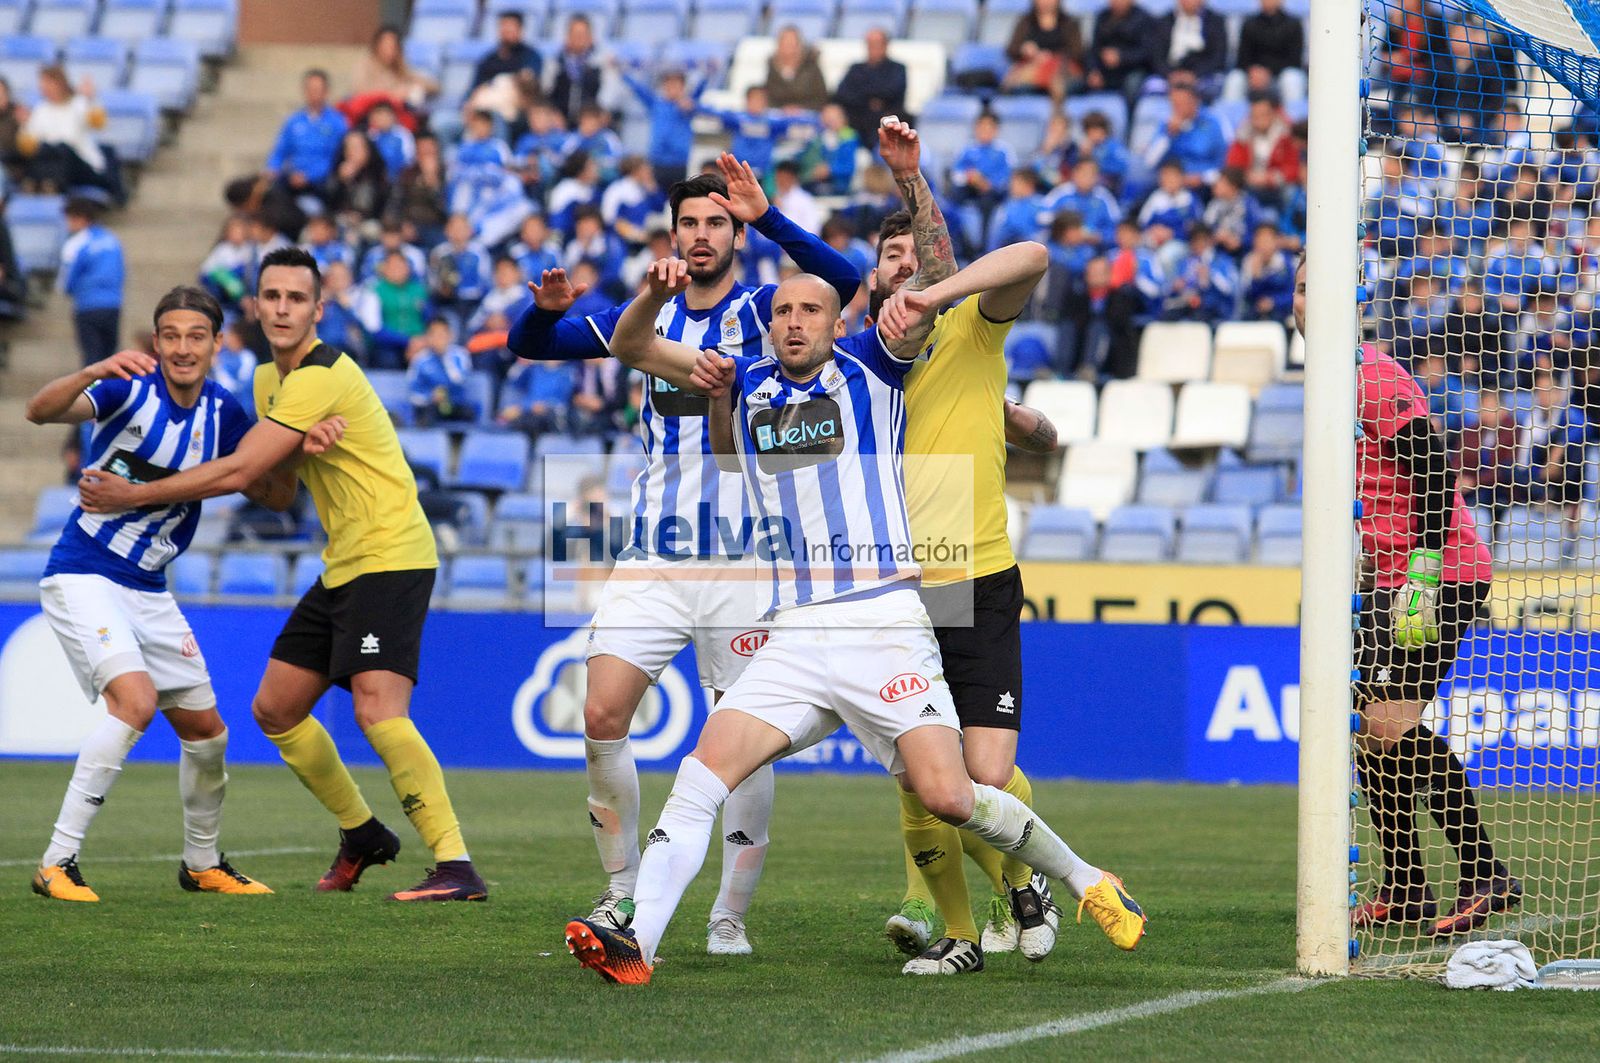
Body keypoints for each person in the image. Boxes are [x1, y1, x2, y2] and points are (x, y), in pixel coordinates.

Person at [562, 246, 1144, 985]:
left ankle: (1088, 879)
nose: (794, 321)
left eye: (811, 310)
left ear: (840, 322)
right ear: (767, 326)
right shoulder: (742, 382)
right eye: (781, 311)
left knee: (950, 794)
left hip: (883, 624)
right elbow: (632, 345)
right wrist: (651, 293)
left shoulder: (873, 364)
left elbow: (1033, 256)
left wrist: (933, 299)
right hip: (797, 632)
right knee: (702, 771)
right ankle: (637, 941)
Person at [506, 154, 861, 956]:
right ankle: (623, 891)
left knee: (742, 730)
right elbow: (533, 344)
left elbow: (843, 280)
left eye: (716, 223)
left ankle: (727, 914)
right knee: (600, 713)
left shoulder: (769, 307)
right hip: (655, 552)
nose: (701, 236)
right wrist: (545, 309)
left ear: (735, 233)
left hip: (747, 560)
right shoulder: (648, 309)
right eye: (689, 224)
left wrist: (770, 214)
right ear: (672, 235)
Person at [78, 248, 488, 903]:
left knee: (379, 710)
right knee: (276, 706)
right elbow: (272, 487)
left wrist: (135, 493)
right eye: (271, 296)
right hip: (346, 561)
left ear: (318, 309)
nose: (282, 308)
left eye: (297, 298)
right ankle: (362, 834)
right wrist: (295, 447)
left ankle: (456, 864)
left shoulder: (320, 373)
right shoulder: (272, 380)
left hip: (391, 552)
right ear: (257, 304)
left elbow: (239, 473)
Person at [25, 285, 337, 902]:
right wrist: (92, 368)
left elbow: (272, 495)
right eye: (171, 336)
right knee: (135, 702)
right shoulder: (127, 388)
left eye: (197, 336)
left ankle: (201, 864)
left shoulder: (224, 415)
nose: (183, 348)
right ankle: (57, 861)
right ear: (156, 341)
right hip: (85, 572)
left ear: (217, 345)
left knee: (207, 732)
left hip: (148, 589)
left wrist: (299, 453)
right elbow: (39, 410)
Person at [1292, 257, 1520, 937]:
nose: (1305, 301)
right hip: (1384, 580)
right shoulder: (1327, 381)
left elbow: (1432, 465)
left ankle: (1486, 871)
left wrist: (1420, 572)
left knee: (1391, 721)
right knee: (1368, 735)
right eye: (1300, 288)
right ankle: (1407, 886)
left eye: (1317, 288)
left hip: (1438, 573)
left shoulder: (1372, 376)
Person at [19, 66, 119, 200]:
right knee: (46, 151)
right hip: (53, 164)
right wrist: (24, 125)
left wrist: (91, 99)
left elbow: (99, 124)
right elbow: (28, 147)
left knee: (63, 149)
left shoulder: (79, 103)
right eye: (42, 83)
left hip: (81, 163)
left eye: (48, 82)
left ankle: (52, 186)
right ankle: (41, 186)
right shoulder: (41, 110)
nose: (44, 87)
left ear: (60, 83)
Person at [263, 70, 348, 206]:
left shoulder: (338, 123)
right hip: (291, 179)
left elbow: (336, 158)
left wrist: (310, 176)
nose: (313, 93)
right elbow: (280, 151)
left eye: (317, 89)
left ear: (326, 91)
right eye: (310, 89)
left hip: (320, 183)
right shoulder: (293, 121)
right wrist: (273, 167)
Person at [59, 197, 124, 368]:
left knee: (92, 358)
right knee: (110, 356)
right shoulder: (111, 239)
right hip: (112, 304)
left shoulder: (76, 242)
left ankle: (92, 393)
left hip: (87, 305)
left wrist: (69, 290)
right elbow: (121, 271)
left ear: (79, 218)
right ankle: (111, 392)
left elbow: (67, 280)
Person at [621, 66, 707, 190]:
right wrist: (622, 71)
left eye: (676, 85)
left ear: (683, 87)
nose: (671, 89)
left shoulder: (687, 106)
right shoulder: (656, 104)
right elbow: (638, 89)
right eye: (668, 85)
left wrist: (707, 75)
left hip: (679, 163)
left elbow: (699, 91)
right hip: (657, 162)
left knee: (676, 199)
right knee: (655, 198)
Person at [835, 28, 907, 147]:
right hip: (856, 120)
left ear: (885, 45)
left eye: (876, 44)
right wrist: (870, 99)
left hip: (884, 121)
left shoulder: (897, 69)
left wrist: (862, 92)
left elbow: (891, 91)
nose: (872, 48)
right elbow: (842, 93)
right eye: (869, 44)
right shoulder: (856, 68)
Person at [349, 25, 437, 117]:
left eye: (393, 46)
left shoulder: (399, 67)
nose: (388, 50)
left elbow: (432, 85)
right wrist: (392, 94)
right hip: (371, 116)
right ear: (376, 45)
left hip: (398, 114)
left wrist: (410, 88)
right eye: (385, 45)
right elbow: (359, 92)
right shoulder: (365, 65)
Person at [1004, 0, 1084, 99]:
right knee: (1021, 89)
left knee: (1068, 87)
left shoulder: (1069, 23)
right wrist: (1024, 50)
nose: (1045, 2)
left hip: (1062, 72)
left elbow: (1078, 52)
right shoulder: (1025, 22)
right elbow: (1011, 50)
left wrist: (1051, 56)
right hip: (1033, 75)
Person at [407, 318, 475, 426]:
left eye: (442, 334)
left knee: (469, 413)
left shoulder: (461, 355)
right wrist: (430, 397)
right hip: (431, 406)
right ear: (428, 337)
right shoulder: (420, 360)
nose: (439, 339)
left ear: (450, 335)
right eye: (434, 335)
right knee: (424, 416)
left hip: (456, 404)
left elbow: (460, 381)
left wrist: (445, 356)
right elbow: (414, 393)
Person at [1085, 0, 1159, 98]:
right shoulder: (1102, 17)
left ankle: (1132, 113)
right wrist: (1093, 70)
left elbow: (1147, 52)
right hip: (1106, 70)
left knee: (1132, 85)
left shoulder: (1143, 19)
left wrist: (1121, 57)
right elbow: (1093, 49)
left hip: (1133, 69)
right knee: (1076, 85)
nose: (1117, 2)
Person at [1156, 0, 1228, 90]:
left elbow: (1219, 57)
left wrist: (1195, 75)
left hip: (1204, 75)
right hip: (1169, 75)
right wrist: (1170, 74)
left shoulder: (1216, 22)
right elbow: (1156, 56)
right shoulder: (1164, 21)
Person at [470, 10, 542, 95]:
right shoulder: (488, 59)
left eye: (511, 27)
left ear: (520, 30)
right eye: (504, 26)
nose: (507, 31)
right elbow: (475, 87)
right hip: (489, 99)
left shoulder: (531, 56)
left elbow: (529, 79)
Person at [550, 15, 602, 127]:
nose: (578, 38)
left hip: (593, 124)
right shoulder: (554, 63)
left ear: (591, 37)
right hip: (559, 123)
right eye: (574, 34)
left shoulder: (601, 62)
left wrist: (595, 118)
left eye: (582, 34)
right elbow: (546, 93)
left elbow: (607, 99)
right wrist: (552, 113)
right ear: (567, 36)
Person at [763, 26, 829, 112]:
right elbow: (769, 96)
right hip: (778, 117)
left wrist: (800, 109)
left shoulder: (811, 66)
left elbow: (821, 98)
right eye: (785, 41)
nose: (788, 46)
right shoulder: (772, 67)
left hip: (808, 117)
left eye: (792, 42)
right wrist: (782, 109)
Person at [1236, 0, 1305, 82]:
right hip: (1254, 73)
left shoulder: (1293, 24)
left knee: (1292, 78)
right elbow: (1242, 58)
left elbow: (1295, 60)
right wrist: (1253, 70)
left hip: (1282, 72)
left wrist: (1268, 71)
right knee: (1236, 78)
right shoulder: (1249, 24)